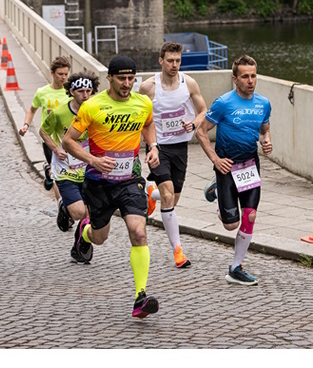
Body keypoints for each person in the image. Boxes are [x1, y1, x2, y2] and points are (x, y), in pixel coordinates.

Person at [61, 55, 161, 319]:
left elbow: (148, 124)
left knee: (138, 233)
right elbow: (68, 141)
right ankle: (84, 234)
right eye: (121, 78)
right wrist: (93, 159)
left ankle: (140, 296)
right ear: (110, 78)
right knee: (100, 237)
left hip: (130, 180)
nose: (127, 84)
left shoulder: (143, 103)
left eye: (131, 78)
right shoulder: (92, 106)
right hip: (98, 182)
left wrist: (153, 147)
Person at [195, 55, 272, 286]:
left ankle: (236, 268)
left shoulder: (263, 103)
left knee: (250, 215)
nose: (250, 81)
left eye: (253, 75)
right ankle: (218, 189)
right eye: (245, 76)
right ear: (235, 78)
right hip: (226, 166)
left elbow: (265, 129)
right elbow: (201, 131)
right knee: (230, 225)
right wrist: (216, 160)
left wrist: (266, 141)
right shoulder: (224, 103)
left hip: (249, 165)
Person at [138, 41, 207, 268]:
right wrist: (151, 145)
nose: (175, 65)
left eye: (178, 61)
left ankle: (152, 194)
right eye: (170, 61)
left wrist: (194, 123)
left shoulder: (189, 83)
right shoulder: (149, 87)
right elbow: (141, 118)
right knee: (168, 196)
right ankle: (178, 250)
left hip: (180, 146)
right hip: (159, 147)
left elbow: (203, 110)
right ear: (161, 61)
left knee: (173, 197)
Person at [39, 71, 99, 263]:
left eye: (89, 91)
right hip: (66, 171)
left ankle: (80, 245)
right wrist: (56, 150)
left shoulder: (96, 112)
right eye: (81, 91)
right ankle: (65, 208)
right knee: (79, 212)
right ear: (71, 91)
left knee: (90, 214)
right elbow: (43, 131)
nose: (85, 95)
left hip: (88, 169)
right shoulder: (59, 113)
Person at [19, 57, 71, 221]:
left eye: (66, 74)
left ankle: (48, 171)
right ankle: (63, 209)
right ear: (52, 73)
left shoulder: (71, 92)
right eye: (60, 74)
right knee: (59, 176)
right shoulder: (42, 92)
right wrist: (26, 125)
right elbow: (32, 110)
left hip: (68, 139)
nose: (63, 77)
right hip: (49, 140)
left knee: (68, 173)